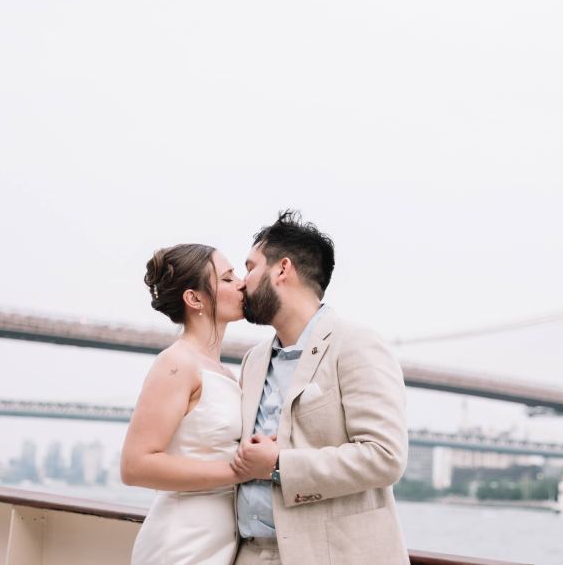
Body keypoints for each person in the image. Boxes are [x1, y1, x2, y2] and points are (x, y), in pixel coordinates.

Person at [230, 210, 410, 565]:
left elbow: (385, 455)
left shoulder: (356, 344)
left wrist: (279, 464)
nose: (241, 282)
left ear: (282, 269)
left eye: (250, 267)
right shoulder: (252, 360)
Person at [122, 244, 246, 565]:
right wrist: (240, 472)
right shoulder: (176, 363)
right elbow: (135, 466)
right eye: (229, 278)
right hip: (180, 544)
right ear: (195, 299)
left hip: (218, 541)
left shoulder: (225, 373)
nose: (243, 284)